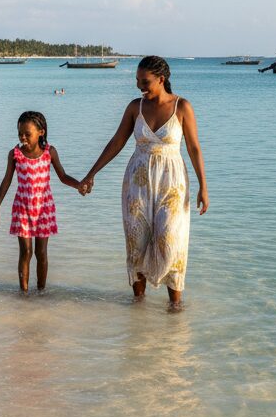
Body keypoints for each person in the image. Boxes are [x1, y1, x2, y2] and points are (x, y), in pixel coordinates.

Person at [80, 56, 208, 311]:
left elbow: (194, 148)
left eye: (145, 81)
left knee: (171, 240)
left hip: (172, 182)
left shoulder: (182, 107)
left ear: (162, 79)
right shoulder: (134, 107)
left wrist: (204, 186)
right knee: (137, 243)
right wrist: (91, 173)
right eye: (137, 81)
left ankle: (175, 308)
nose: (140, 86)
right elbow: (116, 142)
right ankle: (138, 305)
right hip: (137, 182)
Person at [0, 110, 83, 294]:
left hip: (44, 209)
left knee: (41, 253)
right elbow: (7, 180)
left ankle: (41, 292)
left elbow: (63, 176)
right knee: (25, 252)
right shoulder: (15, 154)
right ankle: (23, 293)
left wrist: (79, 185)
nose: (23, 137)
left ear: (41, 132)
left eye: (27, 134)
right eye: (20, 134)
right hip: (22, 208)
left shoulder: (50, 152)